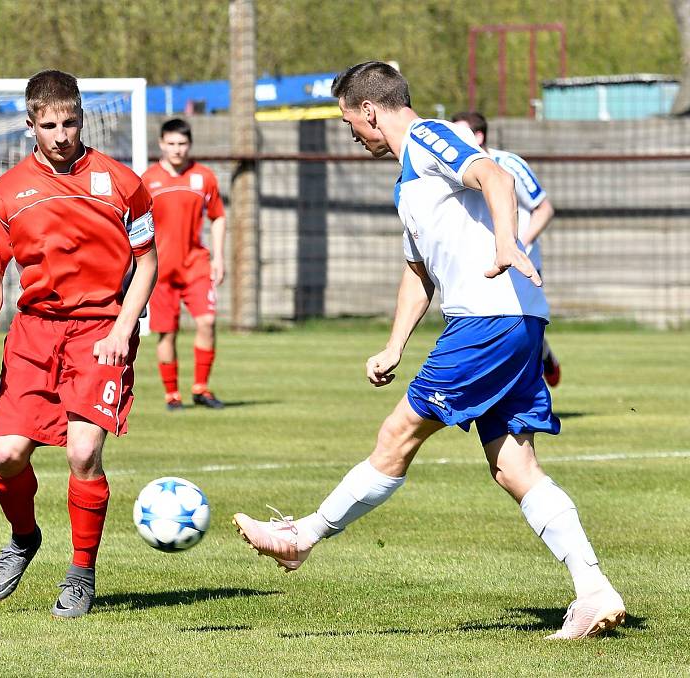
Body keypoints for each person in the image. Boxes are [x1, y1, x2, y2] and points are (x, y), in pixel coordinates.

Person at [233, 61, 625, 640]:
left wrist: (504, 243)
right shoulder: (409, 181)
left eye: (350, 122)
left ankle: (302, 539)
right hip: (511, 320)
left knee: (398, 435)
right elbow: (418, 271)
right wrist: (394, 345)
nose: (352, 135)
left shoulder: (426, 137)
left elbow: (494, 175)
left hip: (486, 319)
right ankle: (593, 590)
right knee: (514, 466)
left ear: (370, 110)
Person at [0, 70, 157, 618]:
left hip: (100, 330)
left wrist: (124, 328)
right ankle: (24, 538)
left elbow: (147, 262)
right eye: (48, 124)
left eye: (70, 122)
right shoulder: (6, 192)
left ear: (82, 118)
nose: (61, 134)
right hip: (33, 332)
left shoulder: (122, 182)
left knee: (83, 451)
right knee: (6, 455)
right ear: (31, 125)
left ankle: (81, 571)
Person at [451, 110, 561, 387]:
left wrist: (517, 243)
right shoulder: (454, 169)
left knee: (522, 325)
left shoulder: (507, 163)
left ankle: (538, 369)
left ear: (479, 135)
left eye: (460, 132)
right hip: (483, 264)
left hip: (519, 262)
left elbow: (543, 208)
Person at [141, 119, 226, 411]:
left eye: (182, 144)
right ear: (162, 144)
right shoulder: (147, 180)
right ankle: (172, 395)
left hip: (196, 264)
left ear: (189, 145)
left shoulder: (204, 177)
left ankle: (201, 388)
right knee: (168, 332)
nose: (177, 150)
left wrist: (219, 256)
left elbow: (218, 216)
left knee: (207, 322)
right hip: (161, 269)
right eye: (172, 144)